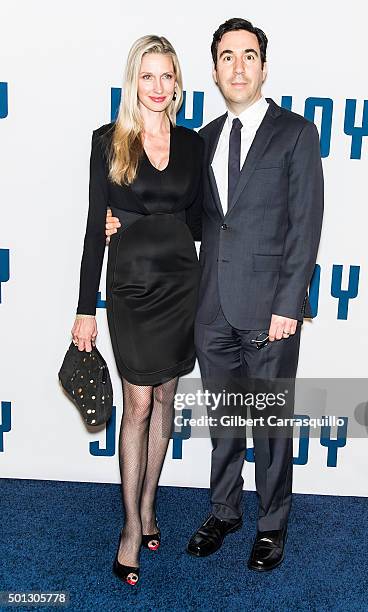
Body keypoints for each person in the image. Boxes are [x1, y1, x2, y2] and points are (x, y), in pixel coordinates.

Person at [105, 17, 323, 572]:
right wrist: (121, 220)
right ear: (214, 71)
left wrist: (287, 304)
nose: (238, 67)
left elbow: (306, 225)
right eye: (227, 57)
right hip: (210, 308)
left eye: (249, 56)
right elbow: (185, 218)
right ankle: (224, 509)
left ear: (264, 67)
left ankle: (272, 524)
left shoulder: (295, 134)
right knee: (225, 420)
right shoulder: (198, 141)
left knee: (270, 424)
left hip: (270, 309)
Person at [72, 35, 203, 586]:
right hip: (129, 290)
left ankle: (150, 505)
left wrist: (136, 222)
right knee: (138, 401)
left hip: (180, 287)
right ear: (134, 81)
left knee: (168, 394)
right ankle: (130, 528)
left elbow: (197, 225)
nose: (157, 86)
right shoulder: (109, 141)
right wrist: (85, 308)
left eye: (166, 76)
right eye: (147, 76)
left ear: (177, 83)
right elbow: (91, 231)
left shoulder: (193, 144)